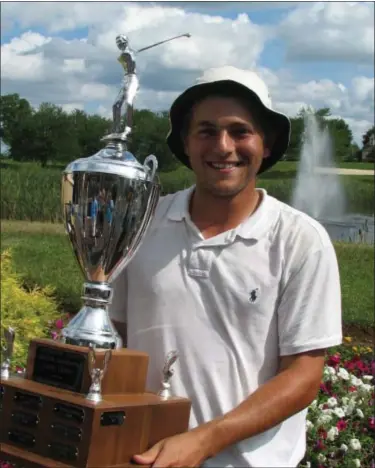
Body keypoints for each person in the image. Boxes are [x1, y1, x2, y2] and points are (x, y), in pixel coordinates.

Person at [109, 66, 342, 467]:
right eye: (206, 131)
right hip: (143, 456)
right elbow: (116, 333)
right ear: (186, 142)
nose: (223, 145)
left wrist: (204, 440)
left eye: (240, 131)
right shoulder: (141, 223)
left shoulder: (300, 239)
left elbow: (303, 376)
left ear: (265, 144)